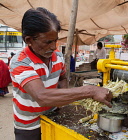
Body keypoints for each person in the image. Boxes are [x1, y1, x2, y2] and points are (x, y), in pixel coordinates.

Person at [9, 7, 112, 140]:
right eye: (48, 42)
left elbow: (62, 77)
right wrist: (90, 91)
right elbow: (42, 96)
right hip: (29, 125)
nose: (53, 46)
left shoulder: (57, 56)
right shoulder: (20, 62)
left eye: (55, 40)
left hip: (53, 116)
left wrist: (61, 96)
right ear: (29, 40)